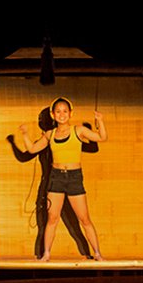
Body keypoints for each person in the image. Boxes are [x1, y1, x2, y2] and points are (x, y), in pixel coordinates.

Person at [18, 97, 106, 261]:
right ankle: (46, 254)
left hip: (74, 178)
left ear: (70, 113)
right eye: (58, 111)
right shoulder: (50, 134)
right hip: (56, 178)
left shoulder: (78, 130)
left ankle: (98, 254)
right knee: (52, 218)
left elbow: (101, 138)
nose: (62, 114)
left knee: (84, 218)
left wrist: (100, 121)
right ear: (53, 115)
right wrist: (24, 134)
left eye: (65, 111)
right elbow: (31, 149)